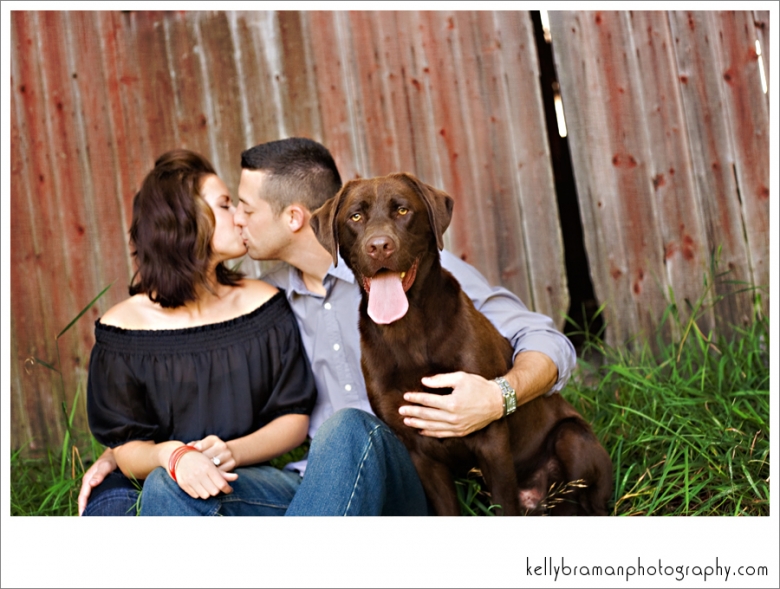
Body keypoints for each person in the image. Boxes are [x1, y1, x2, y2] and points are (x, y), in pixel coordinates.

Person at [80, 138, 576, 516]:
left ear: (295, 218)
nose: (239, 222)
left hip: (398, 472)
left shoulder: (422, 276)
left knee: (347, 428)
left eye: (245, 209)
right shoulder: (269, 300)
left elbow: (547, 342)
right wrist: (128, 454)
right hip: (314, 486)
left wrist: (499, 396)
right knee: (174, 484)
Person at [83, 149, 317, 516]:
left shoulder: (265, 304)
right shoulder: (123, 329)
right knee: (113, 509)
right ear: (183, 221)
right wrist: (172, 455)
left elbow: (293, 419)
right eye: (225, 205)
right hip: (147, 475)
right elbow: (127, 447)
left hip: (239, 476)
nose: (240, 217)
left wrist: (229, 452)